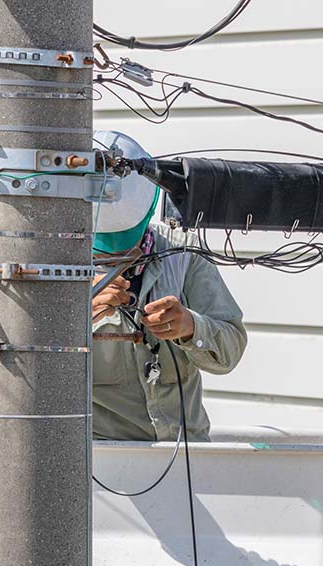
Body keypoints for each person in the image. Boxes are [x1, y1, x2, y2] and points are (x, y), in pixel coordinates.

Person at [91, 130, 247, 442]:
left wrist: (191, 327)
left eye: (126, 245)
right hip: (104, 465)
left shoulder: (182, 254)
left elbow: (231, 350)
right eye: (105, 253)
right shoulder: (53, 270)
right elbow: (25, 376)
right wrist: (75, 316)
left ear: (148, 210)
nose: (118, 259)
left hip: (185, 458)